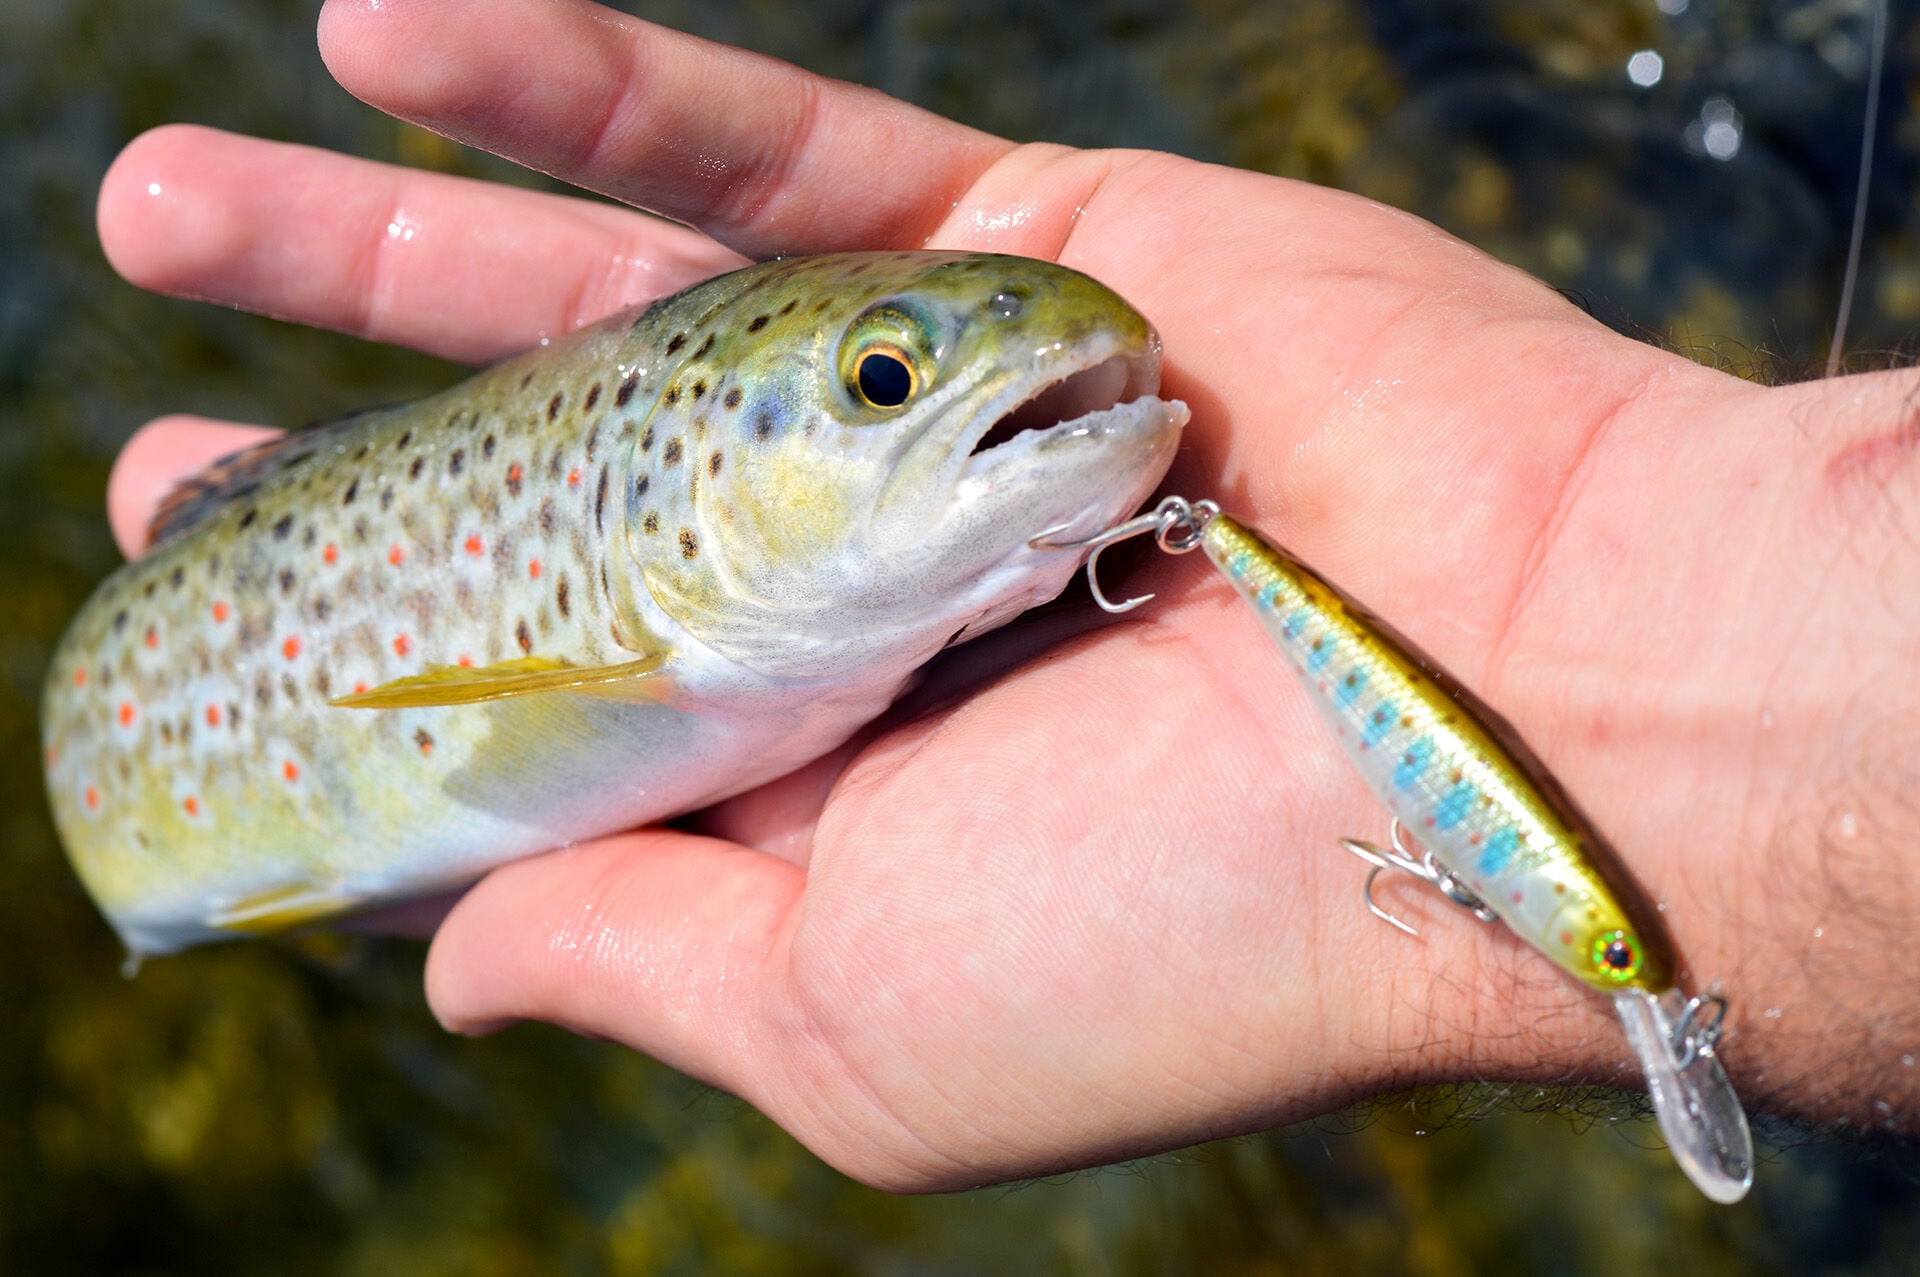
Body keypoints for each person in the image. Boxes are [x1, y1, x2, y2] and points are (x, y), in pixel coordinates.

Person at [97, 0, 1917, 1192]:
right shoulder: (612, 622)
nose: (1086, 375)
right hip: (163, 799)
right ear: (644, 502)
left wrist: (1626, 577)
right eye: (883, 384)